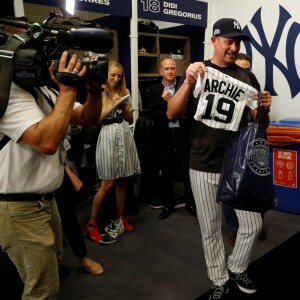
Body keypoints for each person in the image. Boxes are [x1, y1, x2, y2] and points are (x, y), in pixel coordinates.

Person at [167, 18, 272, 299]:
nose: (234, 46)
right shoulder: (198, 71)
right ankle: (219, 279)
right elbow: (172, 113)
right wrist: (188, 81)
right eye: (228, 40)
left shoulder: (247, 77)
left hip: (236, 165)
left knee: (252, 224)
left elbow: (259, 124)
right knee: (210, 229)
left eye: (237, 42)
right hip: (201, 164)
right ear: (214, 40)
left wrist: (263, 108)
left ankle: (237, 267)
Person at [0, 16, 104, 299]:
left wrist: (94, 91)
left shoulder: (43, 88)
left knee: (51, 271)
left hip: (47, 200)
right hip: (20, 208)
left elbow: (87, 117)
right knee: (42, 288)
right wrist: (69, 89)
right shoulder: (7, 92)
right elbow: (46, 141)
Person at [84, 60, 141, 245]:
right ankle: (91, 224)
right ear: (106, 75)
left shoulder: (125, 92)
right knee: (107, 183)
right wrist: (110, 106)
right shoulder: (97, 92)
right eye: (113, 75)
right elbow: (94, 120)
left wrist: (123, 106)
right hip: (107, 135)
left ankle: (119, 217)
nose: (116, 79)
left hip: (124, 133)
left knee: (123, 180)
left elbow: (131, 118)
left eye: (119, 76)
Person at [143, 58, 196, 219]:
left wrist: (170, 102)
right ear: (161, 71)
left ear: (177, 71)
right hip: (164, 136)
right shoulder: (153, 90)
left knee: (187, 171)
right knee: (166, 171)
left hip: (183, 135)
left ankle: (191, 203)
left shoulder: (185, 88)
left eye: (173, 68)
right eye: (166, 68)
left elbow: (190, 113)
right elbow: (153, 114)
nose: (170, 71)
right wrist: (172, 112)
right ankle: (168, 204)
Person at [224, 53, 267, 246]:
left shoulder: (256, 93)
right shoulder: (224, 94)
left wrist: (260, 109)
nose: (244, 73)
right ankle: (235, 228)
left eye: (247, 69)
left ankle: (257, 223)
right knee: (230, 189)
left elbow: (263, 123)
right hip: (230, 148)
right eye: (240, 68)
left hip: (252, 148)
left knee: (255, 186)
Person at [55, 125, 103, 276]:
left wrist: (73, 122)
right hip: (29, 176)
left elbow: (75, 130)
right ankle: (55, 262)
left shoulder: (51, 101)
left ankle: (82, 257)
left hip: (57, 166)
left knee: (68, 215)